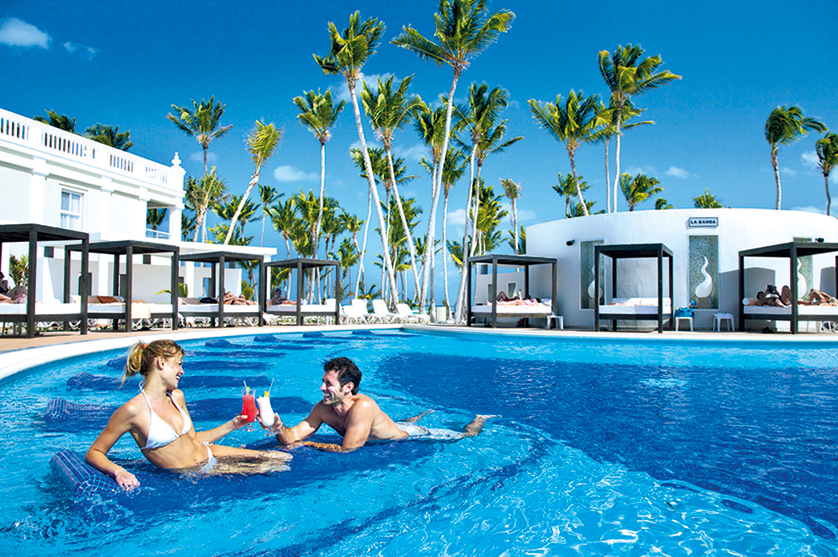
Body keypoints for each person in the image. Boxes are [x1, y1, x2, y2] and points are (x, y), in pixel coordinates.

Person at [86, 339, 290, 489]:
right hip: (197, 472)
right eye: (179, 364)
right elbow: (94, 453)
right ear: (161, 363)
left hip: (211, 454)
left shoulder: (177, 396)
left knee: (281, 458)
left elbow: (192, 439)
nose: (182, 371)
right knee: (278, 470)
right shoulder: (133, 411)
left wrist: (233, 424)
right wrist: (118, 471)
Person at [263, 356, 493, 452]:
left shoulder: (363, 406)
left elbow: (349, 449)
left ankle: (480, 418)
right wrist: (279, 428)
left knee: (465, 436)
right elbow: (292, 436)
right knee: (399, 422)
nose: (321, 388)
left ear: (348, 388)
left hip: (412, 435)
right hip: (386, 427)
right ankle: (418, 415)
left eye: (328, 383)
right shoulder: (322, 408)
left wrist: (310, 445)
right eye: (323, 382)